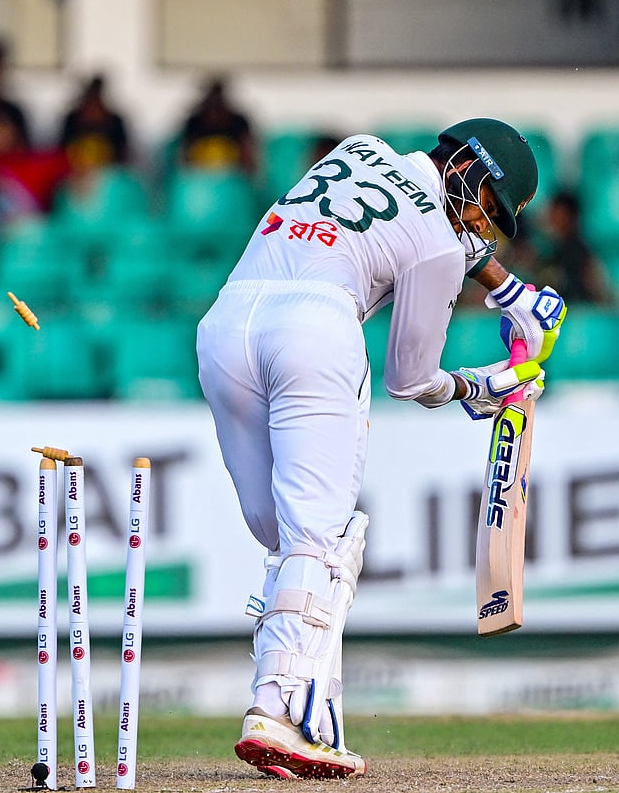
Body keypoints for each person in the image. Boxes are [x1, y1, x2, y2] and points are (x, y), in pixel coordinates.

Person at [196, 119, 566, 778]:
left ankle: (312, 716)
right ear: (468, 170)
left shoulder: (358, 149)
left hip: (226, 328)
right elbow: (410, 378)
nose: (483, 227)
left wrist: (509, 289)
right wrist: (481, 384)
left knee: (284, 537)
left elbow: (412, 219)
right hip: (314, 331)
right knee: (323, 537)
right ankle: (277, 712)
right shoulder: (440, 242)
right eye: (487, 207)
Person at [523, 191, 610, 305]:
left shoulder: (581, 253)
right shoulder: (538, 248)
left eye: (557, 213)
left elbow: (600, 292)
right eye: (551, 211)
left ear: (571, 217)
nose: (551, 217)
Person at [178, 76, 257, 175]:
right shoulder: (194, 122)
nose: (215, 111)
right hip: (199, 180)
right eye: (212, 104)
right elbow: (184, 157)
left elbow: (248, 155)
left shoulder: (238, 122)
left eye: (218, 104)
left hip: (233, 180)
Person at [58, 73, 130, 173]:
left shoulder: (114, 121)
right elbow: (62, 151)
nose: (93, 109)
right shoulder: (73, 120)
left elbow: (123, 153)